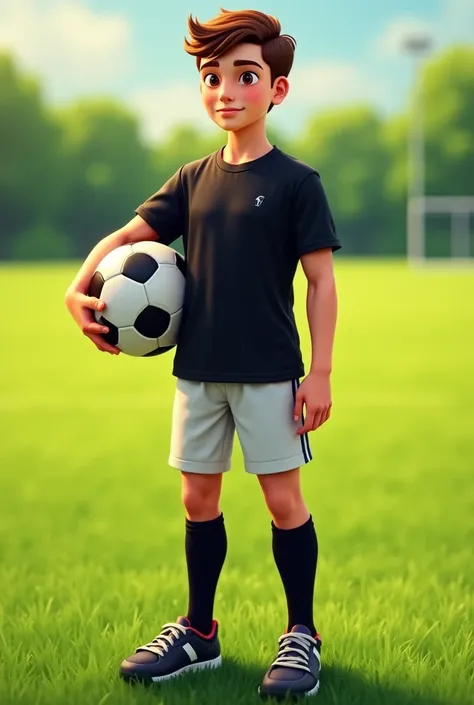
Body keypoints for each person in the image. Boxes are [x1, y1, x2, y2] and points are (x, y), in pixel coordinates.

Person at [65, 8, 341, 700]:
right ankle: (199, 631)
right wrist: (77, 286)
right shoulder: (191, 179)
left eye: (245, 76)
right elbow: (126, 235)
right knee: (197, 496)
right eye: (212, 76)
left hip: (270, 373)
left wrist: (321, 371)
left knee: (283, 501)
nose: (226, 90)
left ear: (276, 90)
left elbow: (322, 282)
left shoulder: (296, 183)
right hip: (196, 372)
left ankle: (301, 633)